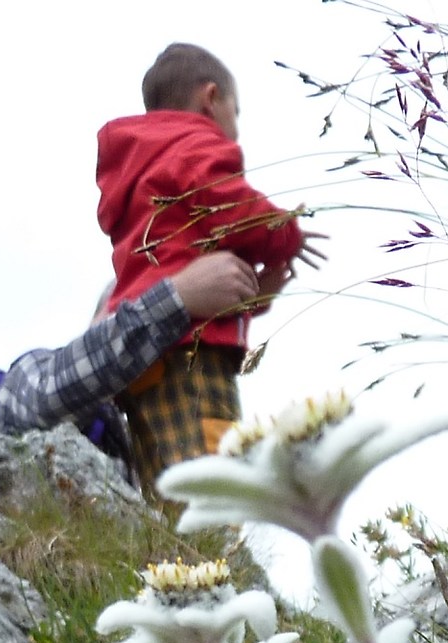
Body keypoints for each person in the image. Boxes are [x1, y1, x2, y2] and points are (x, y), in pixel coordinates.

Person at [96, 43, 311, 490]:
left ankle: (179, 558)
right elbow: (233, 207)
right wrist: (286, 232)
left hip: (144, 355)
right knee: (215, 486)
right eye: (237, 109)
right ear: (210, 98)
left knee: (167, 486)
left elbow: (184, 264)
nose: (236, 128)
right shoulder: (194, 146)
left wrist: (255, 297)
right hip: (190, 361)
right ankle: (209, 559)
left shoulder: (141, 167)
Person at [0, 252, 261, 469]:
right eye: (132, 309)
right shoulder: (29, 375)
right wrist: (179, 297)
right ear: (105, 315)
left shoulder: (134, 443)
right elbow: (55, 394)